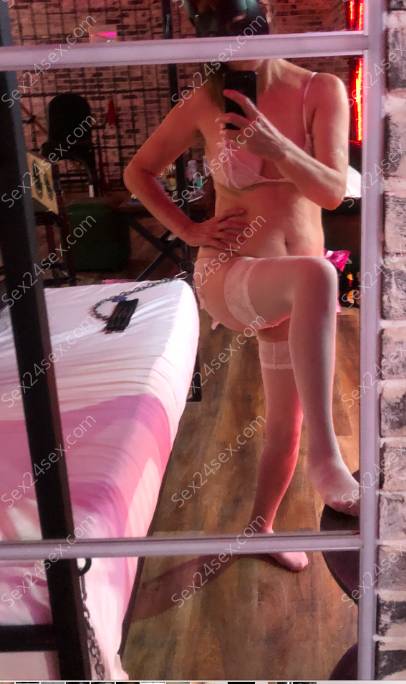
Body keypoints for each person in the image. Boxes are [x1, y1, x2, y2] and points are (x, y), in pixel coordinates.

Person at [124, 0, 360, 572]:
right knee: (318, 274)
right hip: (230, 275)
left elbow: (332, 191)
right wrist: (188, 229)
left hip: (292, 292)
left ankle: (260, 530)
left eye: (241, 24)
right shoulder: (205, 101)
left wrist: (275, 147)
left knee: (286, 418)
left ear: (268, 14)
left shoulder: (320, 90)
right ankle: (328, 457)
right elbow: (139, 171)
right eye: (215, 32)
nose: (233, 42)